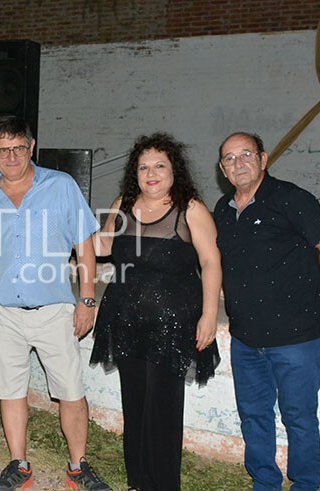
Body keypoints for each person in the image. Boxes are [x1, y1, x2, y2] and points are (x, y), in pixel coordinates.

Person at [0, 115, 111, 491]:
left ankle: (78, 467)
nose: (12, 156)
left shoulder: (61, 186)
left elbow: (84, 248)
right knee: (11, 391)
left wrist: (87, 300)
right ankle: (19, 465)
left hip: (54, 309)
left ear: (32, 147)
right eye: (3, 149)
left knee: (71, 391)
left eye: (19, 148)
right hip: (1, 311)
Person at [90, 133, 221, 490]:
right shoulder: (122, 204)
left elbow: (210, 262)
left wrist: (209, 315)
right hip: (126, 320)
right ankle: (138, 481)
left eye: (159, 165)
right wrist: (64, 222)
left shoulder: (190, 209)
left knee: (163, 409)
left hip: (172, 324)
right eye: (143, 166)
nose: (151, 173)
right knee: (135, 405)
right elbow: (101, 246)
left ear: (174, 170)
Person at [213, 132, 320, 491]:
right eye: (229, 158)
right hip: (246, 340)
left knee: (299, 417)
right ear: (222, 168)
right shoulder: (223, 209)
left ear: (264, 159)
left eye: (246, 154)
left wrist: (318, 298)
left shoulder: (290, 198)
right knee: (254, 416)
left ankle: (304, 484)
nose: (238, 163)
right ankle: (265, 482)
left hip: (296, 339)